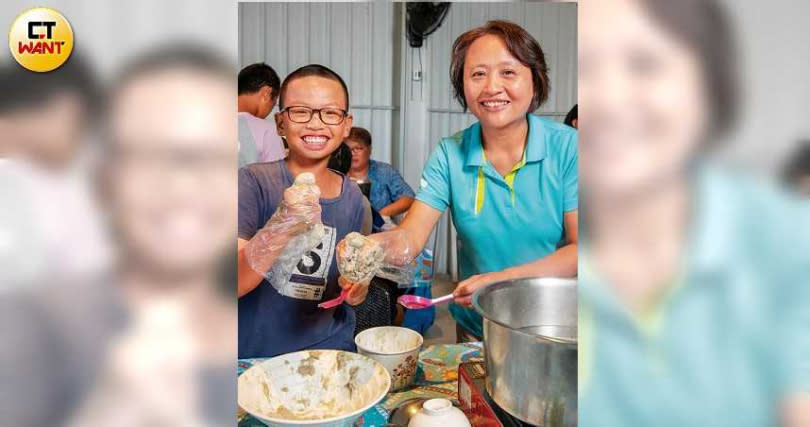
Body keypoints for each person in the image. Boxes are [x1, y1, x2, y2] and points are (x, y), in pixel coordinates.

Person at [579, 0, 810, 425]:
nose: (607, 99)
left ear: (710, 84)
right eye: (586, 67)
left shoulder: (787, 242)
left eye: (644, 62)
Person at [340, 20, 578, 342]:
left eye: (508, 72)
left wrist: (500, 280)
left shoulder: (569, 148)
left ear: (535, 81)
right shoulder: (449, 154)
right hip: (477, 325)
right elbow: (410, 236)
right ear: (462, 87)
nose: (492, 87)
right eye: (477, 74)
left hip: (551, 326)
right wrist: (370, 249)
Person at [237, 64, 369, 358]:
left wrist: (357, 289)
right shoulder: (252, 182)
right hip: (256, 356)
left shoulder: (355, 200)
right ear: (280, 123)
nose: (315, 124)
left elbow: (349, 289)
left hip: (329, 353)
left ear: (346, 124)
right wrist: (281, 225)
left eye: (330, 113)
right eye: (300, 111)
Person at [345, 127, 415, 218]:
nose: (353, 153)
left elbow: (408, 198)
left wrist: (382, 215)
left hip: (381, 229)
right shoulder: (336, 172)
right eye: (348, 149)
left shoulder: (384, 171)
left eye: (358, 148)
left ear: (369, 150)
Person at [238, 63, 285, 166]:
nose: (268, 113)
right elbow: (276, 178)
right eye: (273, 104)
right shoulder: (268, 130)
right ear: (266, 93)